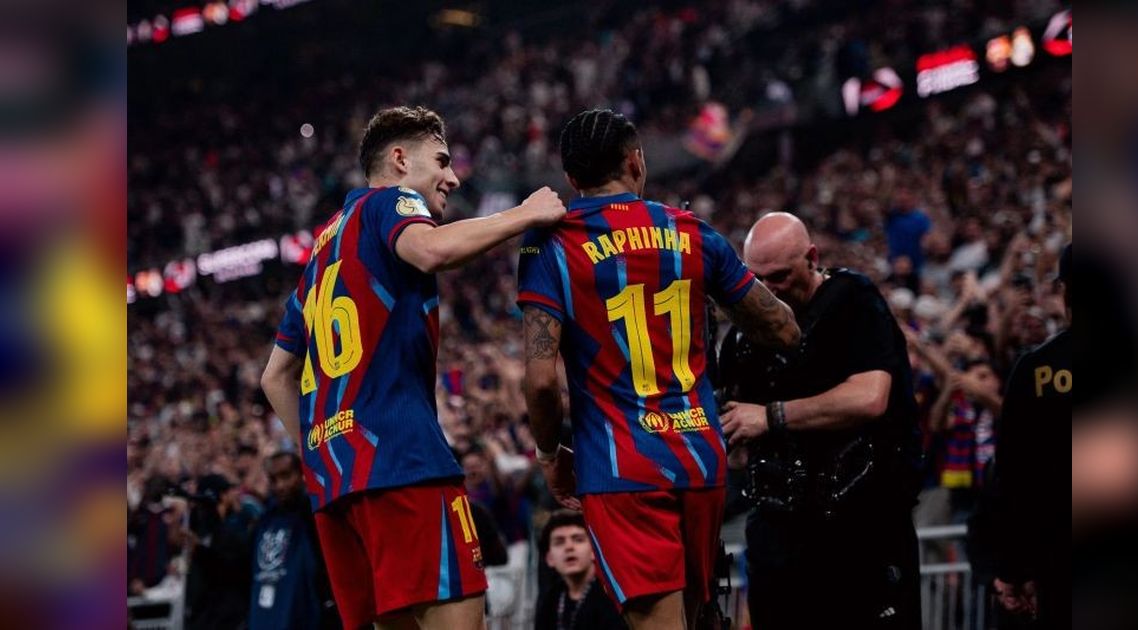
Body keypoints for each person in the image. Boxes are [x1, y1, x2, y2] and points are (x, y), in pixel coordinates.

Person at [260, 105, 566, 630]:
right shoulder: (391, 202)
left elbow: (274, 376)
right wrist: (525, 213)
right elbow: (430, 251)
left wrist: (320, 453)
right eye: (442, 161)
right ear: (400, 160)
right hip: (403, 463)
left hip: (338, 488)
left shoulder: (320, 251)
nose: (453, 177)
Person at [518, 108, 801, 630]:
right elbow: (782, 328)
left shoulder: (551, 244)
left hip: (621, 468)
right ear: (636, 162)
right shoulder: (694, 233)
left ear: (572, 180)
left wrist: (549, 453)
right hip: (699, 458)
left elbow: (539, 380)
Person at [718, 213, 922, 629]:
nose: (768, 289)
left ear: (812, 258)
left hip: (862, 530)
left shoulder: (852, 301)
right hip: (779, 535)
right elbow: (736, 435)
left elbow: (869, 397)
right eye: (757, 278)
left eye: (779, 276)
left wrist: (771, 417)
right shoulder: (744, 336)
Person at [988, 243, 1070, 628]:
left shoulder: (1035, 369)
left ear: (1064, 291)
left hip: (1060, 553)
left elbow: (1013, 477)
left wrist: (1013, 568)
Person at [249, 452, 340, 629]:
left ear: (301, 474)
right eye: (273, 479)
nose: (280, 485)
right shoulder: (263, 522)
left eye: (286, 476)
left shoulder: (316, 515)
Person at [185, 473, 259, 630]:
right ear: (222, 496)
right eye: (229, 491)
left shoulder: (224, 531)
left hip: (223, 617)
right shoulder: (211, 533)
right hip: (215, 618)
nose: (235, 495)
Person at [535, 510, 626, 630]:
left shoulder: (611, 597)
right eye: (559, 542)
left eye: (578, 539)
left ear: (594, 550)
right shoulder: (550, 601)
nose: (569, 547)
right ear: (549, 558)